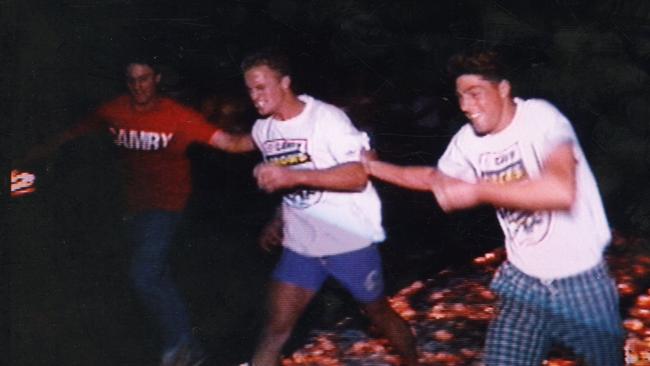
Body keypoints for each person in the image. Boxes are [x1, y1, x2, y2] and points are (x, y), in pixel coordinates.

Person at [364, 50, 623, 365]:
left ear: (503, 88)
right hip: (523, 282)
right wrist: (373, 168)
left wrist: (477, 190)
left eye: (475, 94)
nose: (465, 106)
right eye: (460, 97)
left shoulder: (541, 118)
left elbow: (559, 189)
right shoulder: (467, 141)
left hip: (581, 282)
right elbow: (435, 178)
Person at [22, 56, 252, 366]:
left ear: (156, 78)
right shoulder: (114, 110)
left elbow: (230, 143)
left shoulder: (177, 116)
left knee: (143, 275)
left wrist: (274, 135)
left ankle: (180, 347)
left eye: (144, 78)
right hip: (133, 205)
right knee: (156, 276)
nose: (138, 86)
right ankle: (189, 345)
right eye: (132, 80)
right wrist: (36, 151)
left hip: (169, 203)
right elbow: (75, 132)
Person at [235, 49, 420, 366]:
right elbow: (287, 181)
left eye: (261, 87)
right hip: (301, 246)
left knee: (378, 314)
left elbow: (358, 175)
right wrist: (277, 220)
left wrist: (291, 175)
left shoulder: (326, 119)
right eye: (250, 89)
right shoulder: (263, 131)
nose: (255, 96)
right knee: (274, 331)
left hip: (348, 241)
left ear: (285, 83)